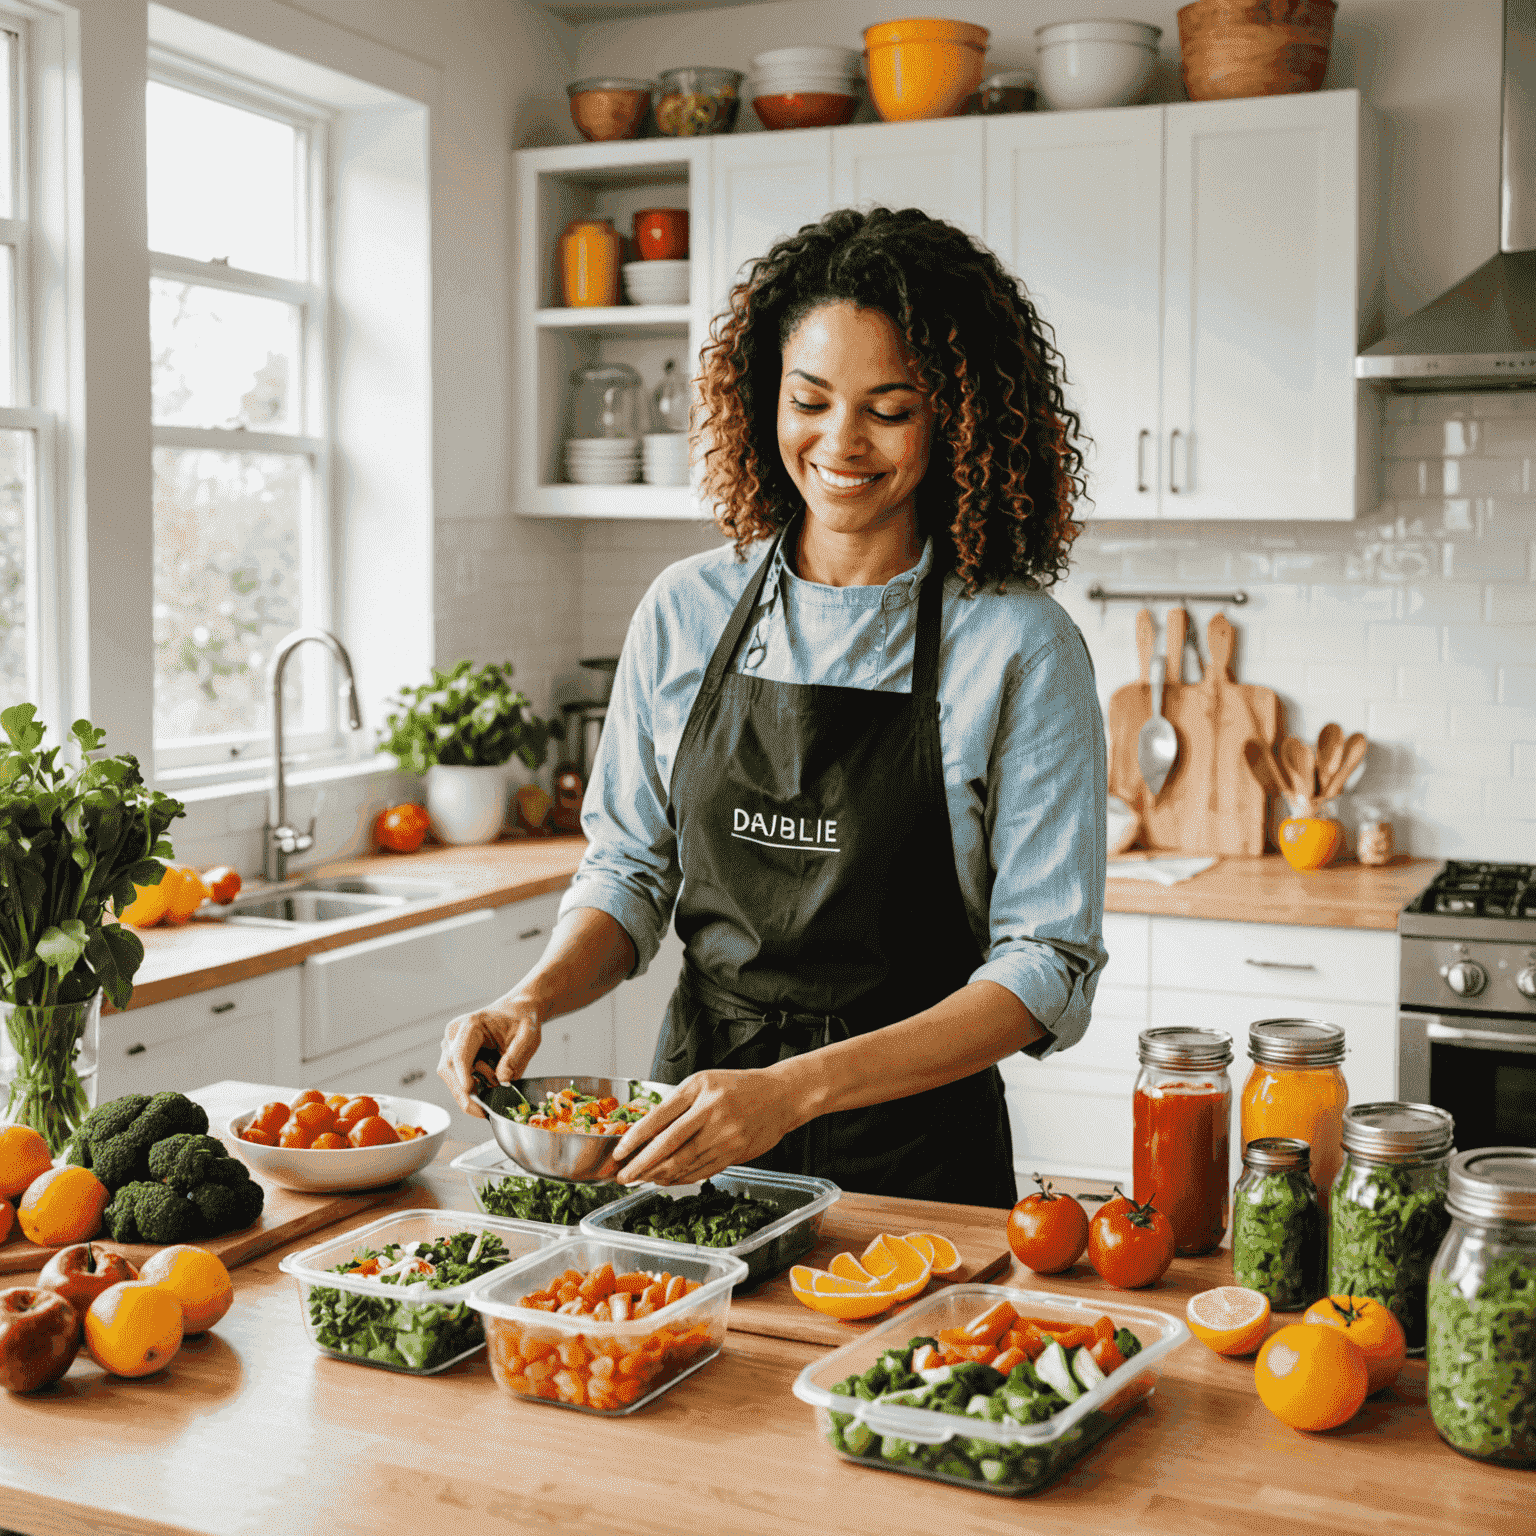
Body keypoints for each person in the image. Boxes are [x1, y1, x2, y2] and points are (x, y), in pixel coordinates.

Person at [440, 207, 1107, 1209]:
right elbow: (629, 870)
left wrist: (791, 1093)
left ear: (956, 419)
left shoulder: (1019, 646)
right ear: (767, 398)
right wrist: (530, 996)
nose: (842, 441)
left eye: (890, 408)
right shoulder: (687, 609)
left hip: (914, 1160)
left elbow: (1044, 966)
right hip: (688, 1135)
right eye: (811, 399)